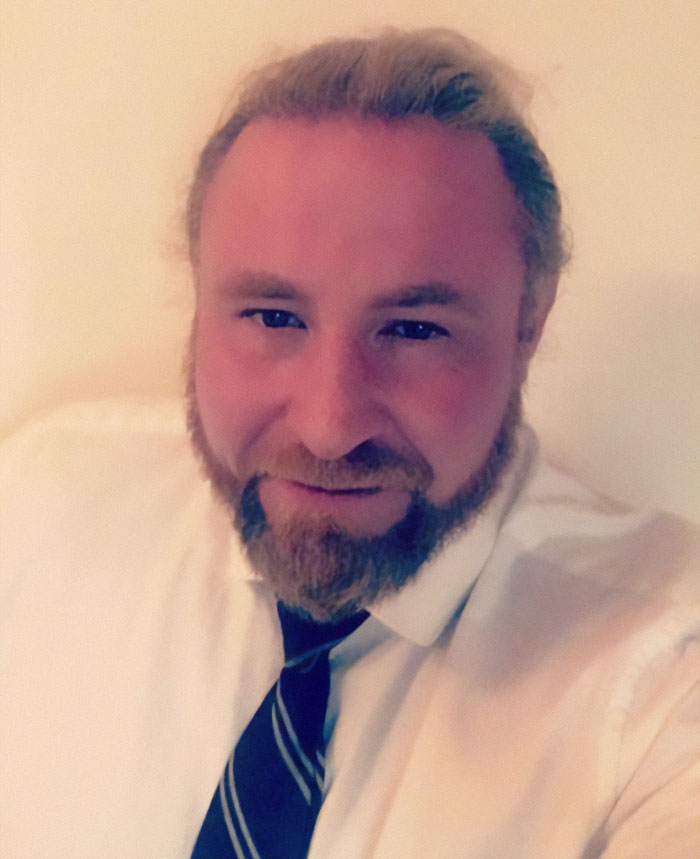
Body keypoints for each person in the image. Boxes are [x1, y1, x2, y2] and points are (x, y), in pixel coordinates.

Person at [1, 28, 698, 859]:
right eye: (273, 317)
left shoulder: (665, 669)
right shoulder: (44, 498)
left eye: (413, 328)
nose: (330, 427)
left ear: (528, 326)